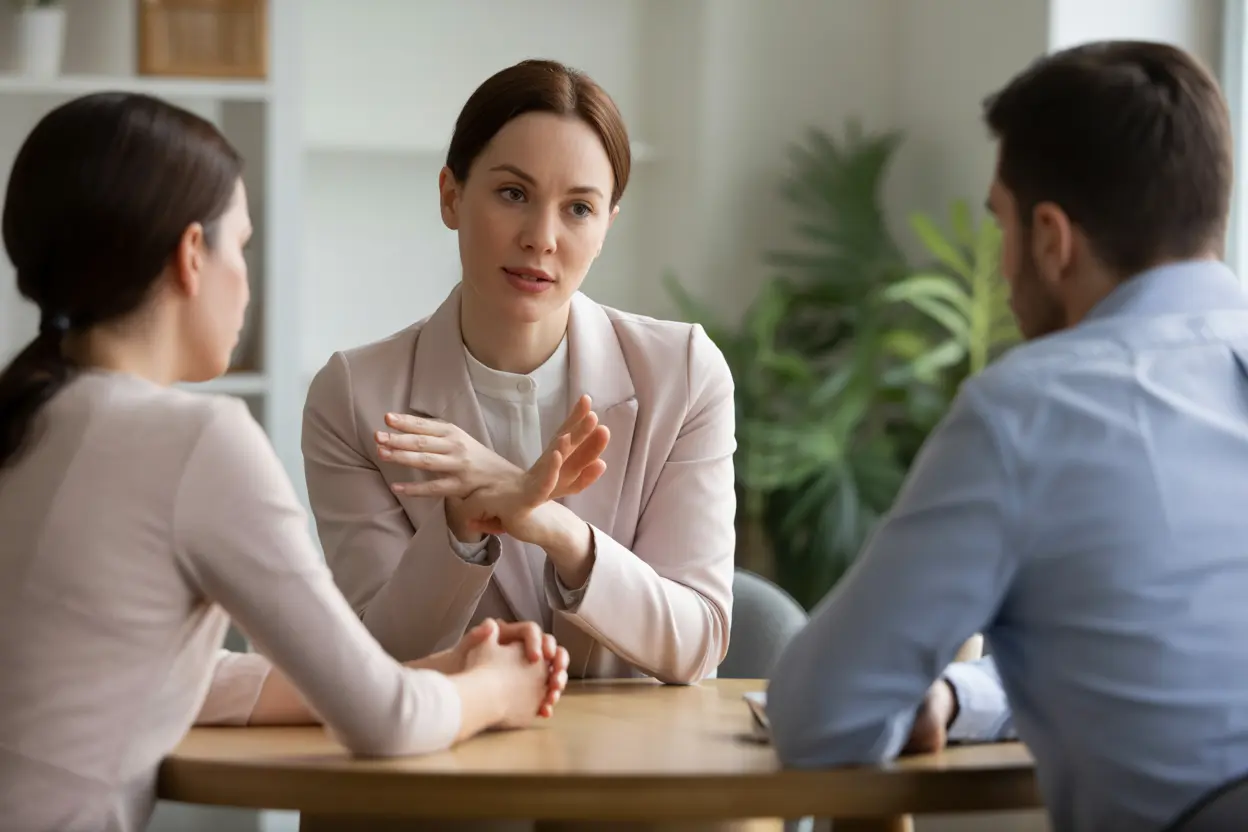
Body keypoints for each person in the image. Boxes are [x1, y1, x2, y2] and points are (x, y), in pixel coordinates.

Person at [0, 92, 575, 832]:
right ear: (190, 256)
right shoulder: (192, 442)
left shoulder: (28, 418)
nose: (247, 275)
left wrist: (420, 674)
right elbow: (387, 725)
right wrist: (497, 691)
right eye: (241, 244)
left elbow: (159, 677)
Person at [764, 40, 1248, 832]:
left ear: (1052, 239)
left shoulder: (1029, 410)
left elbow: (822, 714)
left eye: (1001, 224)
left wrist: (915, 699)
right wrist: (965, 696)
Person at [302, 59, 736, 685]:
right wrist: (462, 525)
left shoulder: (685, 373)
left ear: (607, 226)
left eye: (579, 209)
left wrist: (553, 527)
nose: (541, 237)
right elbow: (380, 661)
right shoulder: (353, 397)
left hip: (638, 769)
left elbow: (696, 644)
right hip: (452, 766)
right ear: (451, 196)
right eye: (513, 194)